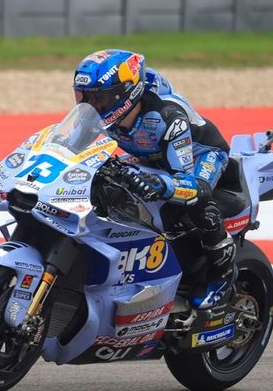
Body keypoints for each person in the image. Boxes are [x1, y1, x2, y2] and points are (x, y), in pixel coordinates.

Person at [72, 49, 236, 311]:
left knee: (196, 199)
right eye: (84, 97)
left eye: (98, 98)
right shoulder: (98, 114)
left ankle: (223, 271)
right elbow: (70, 149)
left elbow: (184, 180)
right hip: (151, 156)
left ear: (125, 94)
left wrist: (162, 185)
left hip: (200, 155)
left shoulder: (168, 117)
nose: (91, 105)